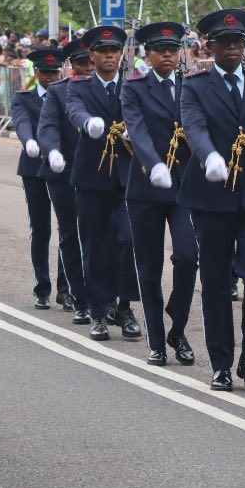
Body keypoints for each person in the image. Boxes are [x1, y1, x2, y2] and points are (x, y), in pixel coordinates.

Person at [179, 8, 245, 393]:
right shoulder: (196, 86)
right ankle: (221, 363)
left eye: (239, 42)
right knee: (217, 283)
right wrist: (208, 156)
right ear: (211, 46)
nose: (234, 48)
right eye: (225, 43)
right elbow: (194, 126)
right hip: (212, 196)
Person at [120, 22, 199, 366]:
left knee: (188, 256)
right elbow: (136, 130)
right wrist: (153, 164)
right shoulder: (134, 87)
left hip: (183, 187)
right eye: (160, 50)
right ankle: (156, 341)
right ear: (147, 54)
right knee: (149, 267)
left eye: (173, 49)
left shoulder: (190, 85)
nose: (168, 55)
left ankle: (177, 327)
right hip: (146, 188)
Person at [62, 25, 141, 343]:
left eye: (114, 51)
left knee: (126, 239)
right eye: (103, 52)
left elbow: (141, 112)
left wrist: (137, 129)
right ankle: (97, 312)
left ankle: (124, 307)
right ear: (92, 56)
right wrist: (87, 123)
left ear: (120, 55)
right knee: (94, 245)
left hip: (125, 176)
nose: (109, 56)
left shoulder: (131, 85)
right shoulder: (79, 87)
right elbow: (74, 110)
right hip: (92, 178)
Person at [36, 40, 91, 324]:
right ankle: (74, 294)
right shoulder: (58, 91)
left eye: (91, 61)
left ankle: (106, 298)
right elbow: (47, 127)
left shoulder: (112, 87)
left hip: (100, 171)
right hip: (65, 169)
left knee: (106, 236)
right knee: (70, 233)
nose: (87, 68)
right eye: (81, 63)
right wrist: (52, 151)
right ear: (71, 65)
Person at [11, 46, 69, 309]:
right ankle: (42, 288)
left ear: (61, 72)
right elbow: (21, 122)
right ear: (36, 72)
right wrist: (29, 141)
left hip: (61, 168)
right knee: (41, 228)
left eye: (54, 72)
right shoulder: (24, 98)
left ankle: (66, 289)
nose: (49, 77)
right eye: (45, 72)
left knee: (68, 229)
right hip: (34, 167)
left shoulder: (68, 96)